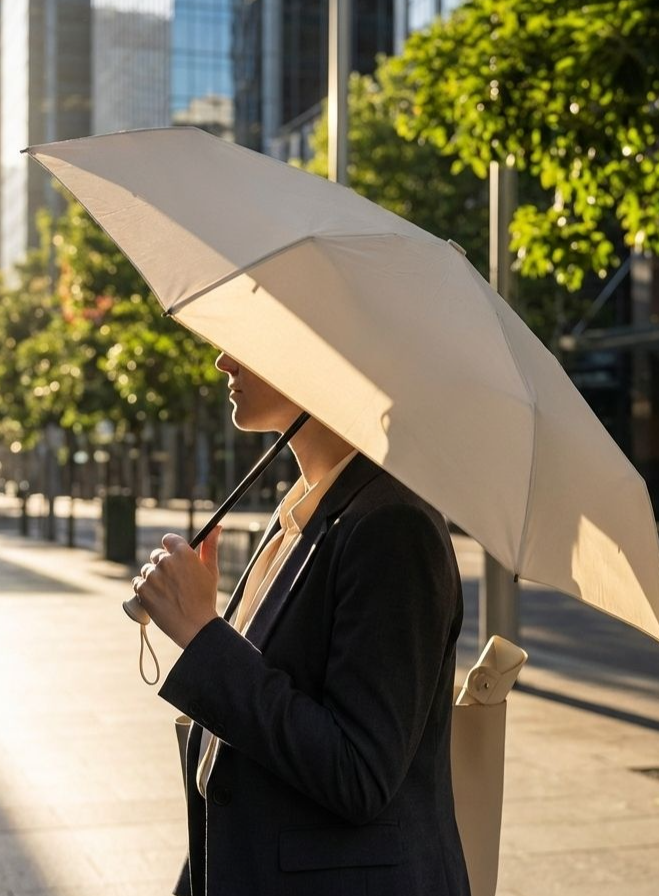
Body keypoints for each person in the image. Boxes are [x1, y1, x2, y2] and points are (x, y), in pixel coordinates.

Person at [134, 353, 470, 896]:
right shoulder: (302, 510)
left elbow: (360, 772)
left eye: (248, 340)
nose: (223, 360)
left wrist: (204, 635)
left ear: (321, 357)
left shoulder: (393, 525)